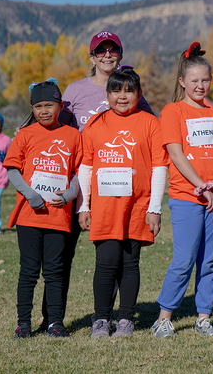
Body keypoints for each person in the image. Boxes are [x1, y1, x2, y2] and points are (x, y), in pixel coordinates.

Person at [46, 31, 154, 333]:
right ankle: (54, 318)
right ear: (92, 57)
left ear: (120, 54)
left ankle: (122, 317)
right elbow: (55, 123)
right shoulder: (75, 90)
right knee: (63, 256)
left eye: (113, 50)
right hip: (79, 182)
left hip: (123, 188)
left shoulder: (132, 90)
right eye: (100, 51)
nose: (107, 55)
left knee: (122, 259)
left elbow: (148, 132)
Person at [151, 43, 213, 338]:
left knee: (209, 260)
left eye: (205, 80)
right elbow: (176, 154)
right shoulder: (173, 111)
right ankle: (164, 318)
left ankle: (203, 317)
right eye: (195, 81)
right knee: (184, 259)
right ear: (182, 82)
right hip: (188, 197)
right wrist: (203, 189)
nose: (200, 86)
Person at [77, 67, 167, 338]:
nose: (123, 96)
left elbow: (160, 167)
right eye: (116, 91)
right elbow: (86, 166)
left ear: (139, 94)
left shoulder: (150, 123)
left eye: (129, 91)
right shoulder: (96, 124)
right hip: (104, 209)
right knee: (105, 264)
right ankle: (102, 319)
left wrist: (155, 208)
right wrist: (84, 204)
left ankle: (126, 319)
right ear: (107, 95)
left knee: (130, 264)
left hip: (138, 207)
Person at [4, 79, 82, 338]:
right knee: (28, 271)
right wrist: (30, 195)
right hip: (29, 215)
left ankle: (55, 323)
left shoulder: (73, 135)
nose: (44, 111)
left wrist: (70, 194)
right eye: (38, 106)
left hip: (58, 217)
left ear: (60, 106)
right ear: (32, 108)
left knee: (55, 272)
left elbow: (79, 171)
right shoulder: (25, 134)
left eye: (49, 105)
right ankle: (23, 324)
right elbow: (13, 169)